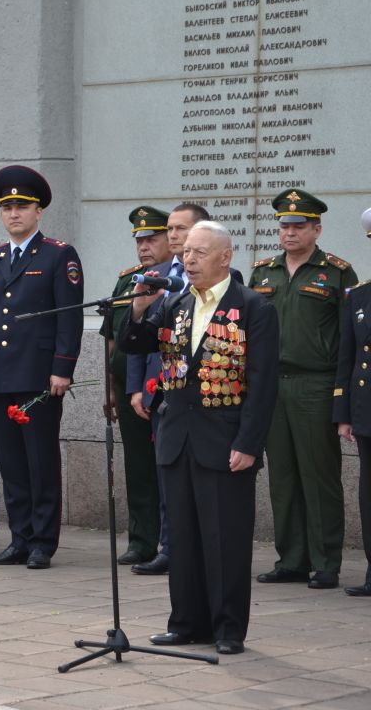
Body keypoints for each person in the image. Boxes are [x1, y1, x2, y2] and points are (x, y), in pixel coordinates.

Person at [120, 221, 278, 655]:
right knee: (183, 538)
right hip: (177, 437)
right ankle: (186, 622)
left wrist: (249, 443)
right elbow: (133, 344)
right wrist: (139, 306)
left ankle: (228, 629)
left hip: (225, 441)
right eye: (186, 251)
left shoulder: (251, 307)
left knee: (225, 538)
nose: (187, 259)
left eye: (198, 252)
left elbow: (263, 385)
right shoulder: (174, 303)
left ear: (225, 257)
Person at [0, 165, 83, 569]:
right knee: (11, 464)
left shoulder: (57, 254)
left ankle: (42, 542)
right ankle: (19, 538)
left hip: (38, 376)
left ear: (39, 211)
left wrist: (62, 368)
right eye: (8, 207)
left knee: (40, 461)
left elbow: (68, 318)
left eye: (23, 206)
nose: (14, 213)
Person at [125, 200, 242, 576]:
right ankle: (169, 547)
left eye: (184, 233)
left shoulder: (232, 286)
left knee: (209, 497)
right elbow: (136, 342)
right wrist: (139, 310)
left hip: (211, 404)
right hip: (166, 398)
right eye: (173, 232)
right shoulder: (156, 279)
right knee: (167, 482)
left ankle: (200, 555)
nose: (176, 239)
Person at [250, 190, 357, 590]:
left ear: (317, 229)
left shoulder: (336, 272)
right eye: (284, 226)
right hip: (272, 384)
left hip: (316, 383)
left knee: (319, 475)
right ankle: (291, 559)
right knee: (283, 475)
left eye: (298, 226)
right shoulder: (264, 272)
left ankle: (326, 561)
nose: (290, 233)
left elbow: (349, 338)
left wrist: (341, 395)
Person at [103, 206, 171, 568]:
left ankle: (167, 542)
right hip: (126, 387)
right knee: (138, 467)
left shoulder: (177, 282)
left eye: (152, 238)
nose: (144, 247)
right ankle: (141, 539)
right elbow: (112, 340)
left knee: (166, 469)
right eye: (139, 240)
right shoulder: (127, 282)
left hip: (161, 388)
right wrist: (109, 389)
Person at [336, 206, 371, 597]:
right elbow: (348, 356)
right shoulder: (359, 294)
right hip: (366, 409)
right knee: (368, 493)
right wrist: (343, 413)